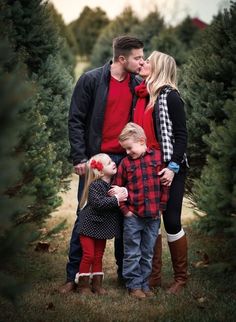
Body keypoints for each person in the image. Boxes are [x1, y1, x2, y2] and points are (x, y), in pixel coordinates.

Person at [59, 36, 144, 293]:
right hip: (97, 160)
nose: (142, 62)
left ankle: (124, 276)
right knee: (85, 215)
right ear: (121, 59)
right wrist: (79, 158)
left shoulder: (138, 85)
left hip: (125, 161)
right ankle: (73, 275)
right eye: (137, 57)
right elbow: (76, 120)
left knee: (123, 217)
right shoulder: (91, 80)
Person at [134, 51, 188, 294]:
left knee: (172, 220)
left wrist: (173, 167)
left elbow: (181, 136)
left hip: (172, 167)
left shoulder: (171, 97)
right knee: (151, 219)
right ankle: (152, 277)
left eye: (148, 62)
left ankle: (180, 278)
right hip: (152, 166)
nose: (143, 63)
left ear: (159, 69)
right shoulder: (147, 96)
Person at [112, 122, 169, 299]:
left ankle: (145, 284)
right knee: (132, 252)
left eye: (129, 148)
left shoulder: (158, 158)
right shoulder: (124, 164)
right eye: (125, 149)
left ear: (142, 141)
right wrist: (125, 210)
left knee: (147, 252)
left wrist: (161, 208)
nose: (127, 152)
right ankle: (133, 285)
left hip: (152, 216)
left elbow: (165, 186)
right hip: (133, 216)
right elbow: (117, 188)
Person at [74, 153, 127, 296]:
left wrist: (121, 193)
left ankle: (97, 285)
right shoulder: (95, 186)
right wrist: (116, 199)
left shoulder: (112, 185)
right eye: (109, 162)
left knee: (98, 255)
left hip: (101, 227)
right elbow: (98, 204)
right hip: (88, 226)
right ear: (101, 171)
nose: (114, 163)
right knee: (88, 255)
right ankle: (83, 286)